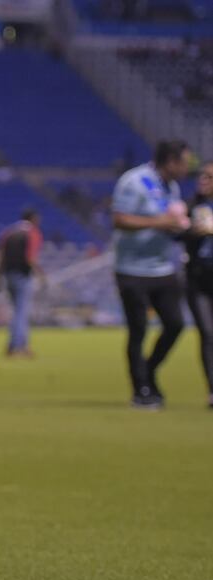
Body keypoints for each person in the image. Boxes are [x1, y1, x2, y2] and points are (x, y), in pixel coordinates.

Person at [111, 139, 192, 410]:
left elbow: (171, 223)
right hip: (131, 269)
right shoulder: (133, 181)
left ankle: (148, 369)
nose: (187, 168)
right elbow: (120, 219)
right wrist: (163, 222)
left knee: (176, 324)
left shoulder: (171, 187)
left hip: (162, 268)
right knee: (139, 330)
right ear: (170, 161)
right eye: (184, 162)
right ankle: (141, 389)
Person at [182, 161, 213, 408]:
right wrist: (193, 230)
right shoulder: (192, 207)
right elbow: (175, 233)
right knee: (208, 333)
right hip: (198, 279)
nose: (203, 180)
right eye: (202, 175)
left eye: (210, 177)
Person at [0, 208, 45, 357]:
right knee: (22, 312)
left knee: (17, 311)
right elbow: (30, 258)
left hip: (8, 275)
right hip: (23, 276)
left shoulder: (9, 232)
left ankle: (15, 344)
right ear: (33, 219)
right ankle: (18, 346)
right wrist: (41, 275)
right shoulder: (32, 233)